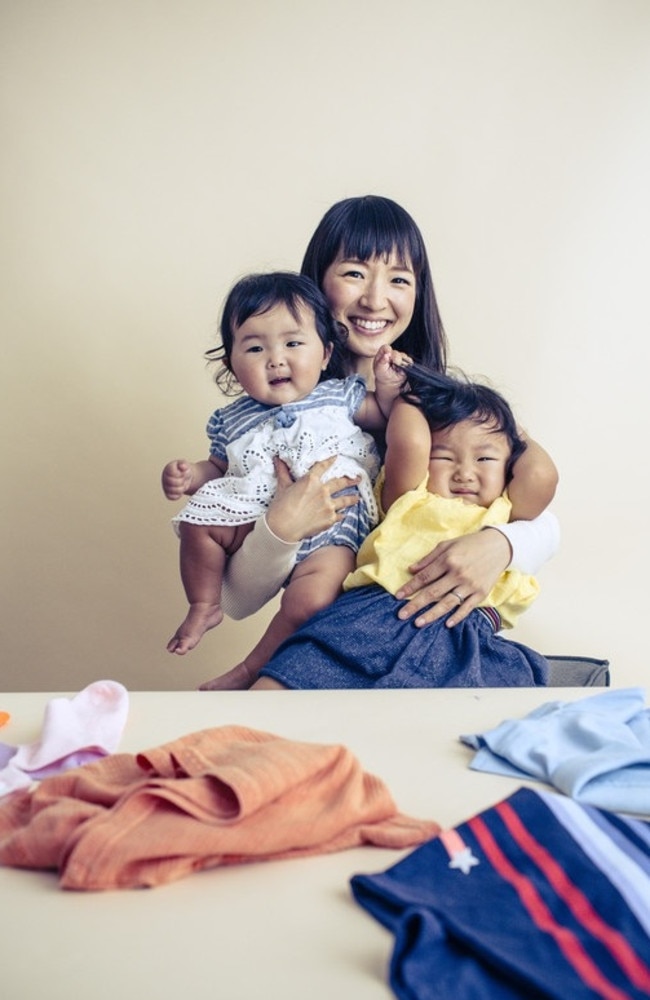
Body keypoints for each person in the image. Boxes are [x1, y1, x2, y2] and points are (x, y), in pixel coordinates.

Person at [199, 195, 559, 689]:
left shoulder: (447, 402)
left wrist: (500, 544)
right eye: (353, 273)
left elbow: (539, 512)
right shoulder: (271, 413)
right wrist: (281, 527)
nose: (374, 299)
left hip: (437, 623)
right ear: (316, 282)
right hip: (335, 633)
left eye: (399, 279)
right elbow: (239, 599)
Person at [162, 272, 410, 686]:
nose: (275, 358)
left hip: (335, 522)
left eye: (293, 344)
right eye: (255, 348)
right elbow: (218, 468)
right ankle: (203, 604)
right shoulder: (230, 419)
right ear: (231, 364)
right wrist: (190, 476)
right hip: (259, 512)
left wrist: (387, 386)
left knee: (311, 600)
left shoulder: (338, 395)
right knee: (197, 523)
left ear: (326, 352)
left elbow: (388, 417)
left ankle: (251, 667)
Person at [252, 365, 550, 689]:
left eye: (485, 459)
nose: (464, 473)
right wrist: (407, 395)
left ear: (510, 467)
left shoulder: (507, 513)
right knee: (279, 689)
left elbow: (541, 475)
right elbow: (409, 442)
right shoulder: (412, 498)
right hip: (371, 621)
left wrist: (518, 434)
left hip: (467, 644)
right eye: (444, 457)